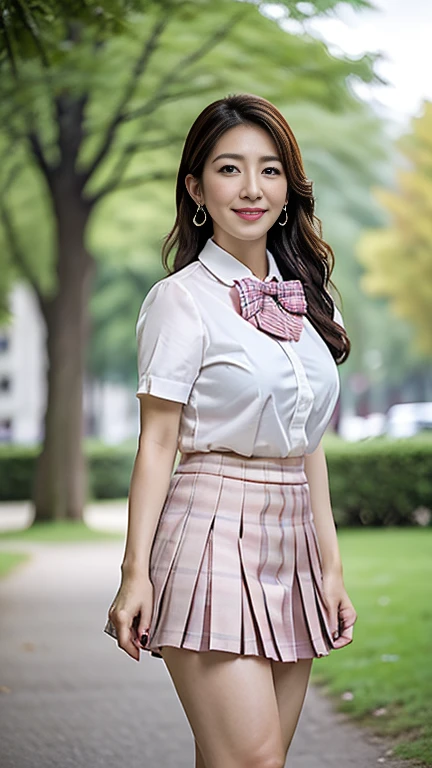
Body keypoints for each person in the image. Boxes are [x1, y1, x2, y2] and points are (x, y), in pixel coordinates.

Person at [104, 92, 357, 768]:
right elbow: (156, 443)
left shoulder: (308, 301)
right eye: (229, 169)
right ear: (195, 187)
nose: (252, 189)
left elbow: (311, 444)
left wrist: (330, 568)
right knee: (251, 759)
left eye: (270, 170)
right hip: (210, 530)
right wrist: (134, 574)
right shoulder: (179, 300)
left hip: (293, 539)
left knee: (242, 761)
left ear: (289, 188)